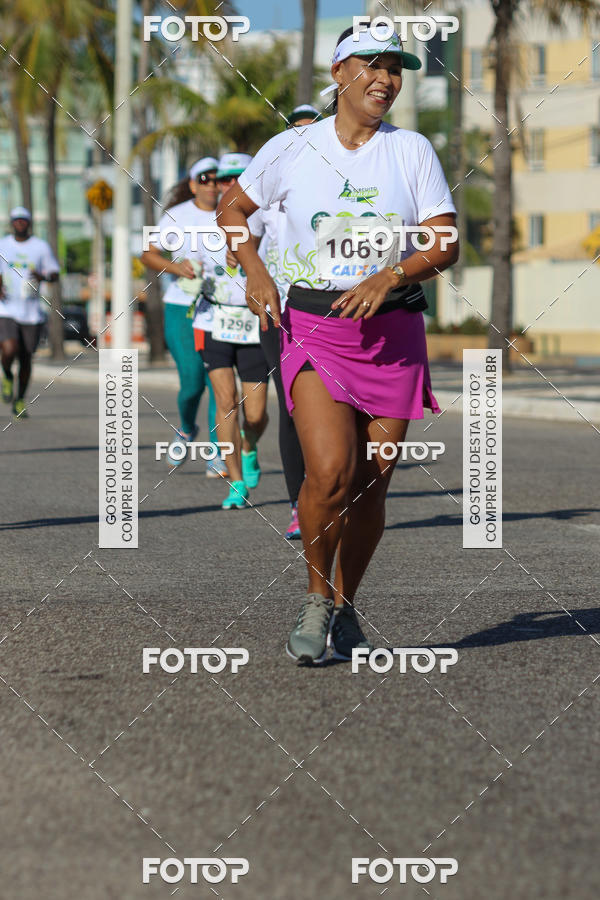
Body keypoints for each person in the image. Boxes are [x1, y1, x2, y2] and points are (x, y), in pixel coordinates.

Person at [217, 24, 459, 663]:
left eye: (397, 68)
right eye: (374, 65)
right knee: (330, 472)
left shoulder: (412, 151)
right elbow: (232, 211)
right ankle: (318, 597)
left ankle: (347, 605)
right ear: (339, 71)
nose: (387, 79)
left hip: (394, 332)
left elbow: (444, 241)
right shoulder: (291, 148)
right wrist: (256, 270)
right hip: (315, 327)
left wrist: (391, 273)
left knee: (374, 483)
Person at [256, 104, 324, 540]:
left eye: (311, 132)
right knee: (293, 405)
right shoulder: (268, 178)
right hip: (277, 310)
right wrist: (246, 263)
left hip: (332, 308)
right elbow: (234, 222)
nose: (303, 139)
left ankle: (335, 492)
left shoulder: (337, 181)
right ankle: (300, 503)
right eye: (295, 132)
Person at [192, 152, 270, 510]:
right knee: (225, 402)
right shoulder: (203, 224)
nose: (229, 184)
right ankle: (236, 480)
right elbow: (182, 260)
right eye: (224, 179)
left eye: (239, 177)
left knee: (255, 414)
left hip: (255, 324)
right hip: (215, 322)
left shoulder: (271, 218)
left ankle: (249, 445)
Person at [141, 157, 224, 476]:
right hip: (183, 308)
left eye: (218, 178)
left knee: (219, 381)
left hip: (223, 309)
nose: (212, 184)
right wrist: (178, 268)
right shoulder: (178, 216)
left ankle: (219, 449)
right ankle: (187, 429)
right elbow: (148, 253)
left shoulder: (237, 213)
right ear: (192, 185)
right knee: (191, 381)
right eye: (204, 178)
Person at [0, 207, 60, 419]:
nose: (20, 223)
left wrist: (43, 276)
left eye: (23, 220)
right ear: (11, 223)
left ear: (29, 223)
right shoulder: (3, 245)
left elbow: (54, 274)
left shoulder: (40, 247)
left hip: (32, 312)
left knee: (25, 358)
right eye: (16, 220)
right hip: (6, 308)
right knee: (9, 349)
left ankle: (19, 399)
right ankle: (7, 375)